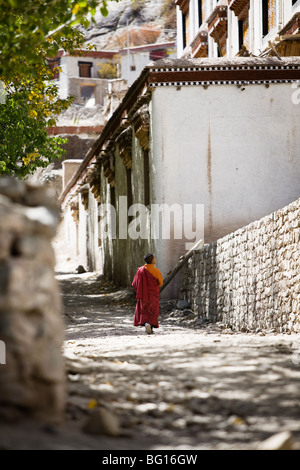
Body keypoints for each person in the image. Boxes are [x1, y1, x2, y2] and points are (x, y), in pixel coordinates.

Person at [132, 253, 163, 334]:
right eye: (154, 258)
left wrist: (141, 290)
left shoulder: (140, 270)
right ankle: (150, 325)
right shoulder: (156, 271)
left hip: (143, 295)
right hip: (153, 294)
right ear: (152, 260)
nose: (155, 259)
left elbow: (134, 284)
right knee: (153, 310)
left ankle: (146, 323)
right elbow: (160, 283)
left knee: (144, 310)